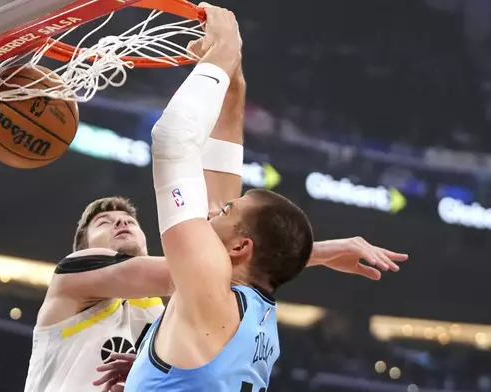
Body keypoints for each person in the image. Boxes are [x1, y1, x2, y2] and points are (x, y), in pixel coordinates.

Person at [23, 6, 407, 391]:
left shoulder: (206, 293)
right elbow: (224, 205)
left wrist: (224, 51)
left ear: (240, 247)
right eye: (104, 223)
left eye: (227, 210)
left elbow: (172, 142)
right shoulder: (249, 311)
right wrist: (233, 79)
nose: (216, 208)